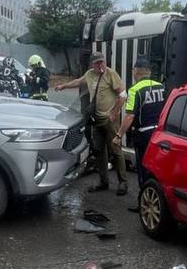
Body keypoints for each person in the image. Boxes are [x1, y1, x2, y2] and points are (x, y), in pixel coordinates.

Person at [62, 51, 128, 195]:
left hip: (110, 121)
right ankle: (103, 182)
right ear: (92, 65)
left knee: (115, 149)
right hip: (96, 120)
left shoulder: (111, 74)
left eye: (102, 62)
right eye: (97, 63)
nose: (100, 65)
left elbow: (123, 95)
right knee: (99, 151)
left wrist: (114, 113)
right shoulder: (89, 74)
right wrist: (64, 86)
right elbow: (78, 81)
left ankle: (123, 182)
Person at [116, 57, 166, 207]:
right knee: (156, 169)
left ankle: (144, 204)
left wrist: (119, 135)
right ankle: (157, 201)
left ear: (136, 72)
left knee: (143, 169)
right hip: (159, 134)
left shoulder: (135, 90)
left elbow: (130, 116)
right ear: (149, 72)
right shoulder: (161, 87)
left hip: (143, 135)